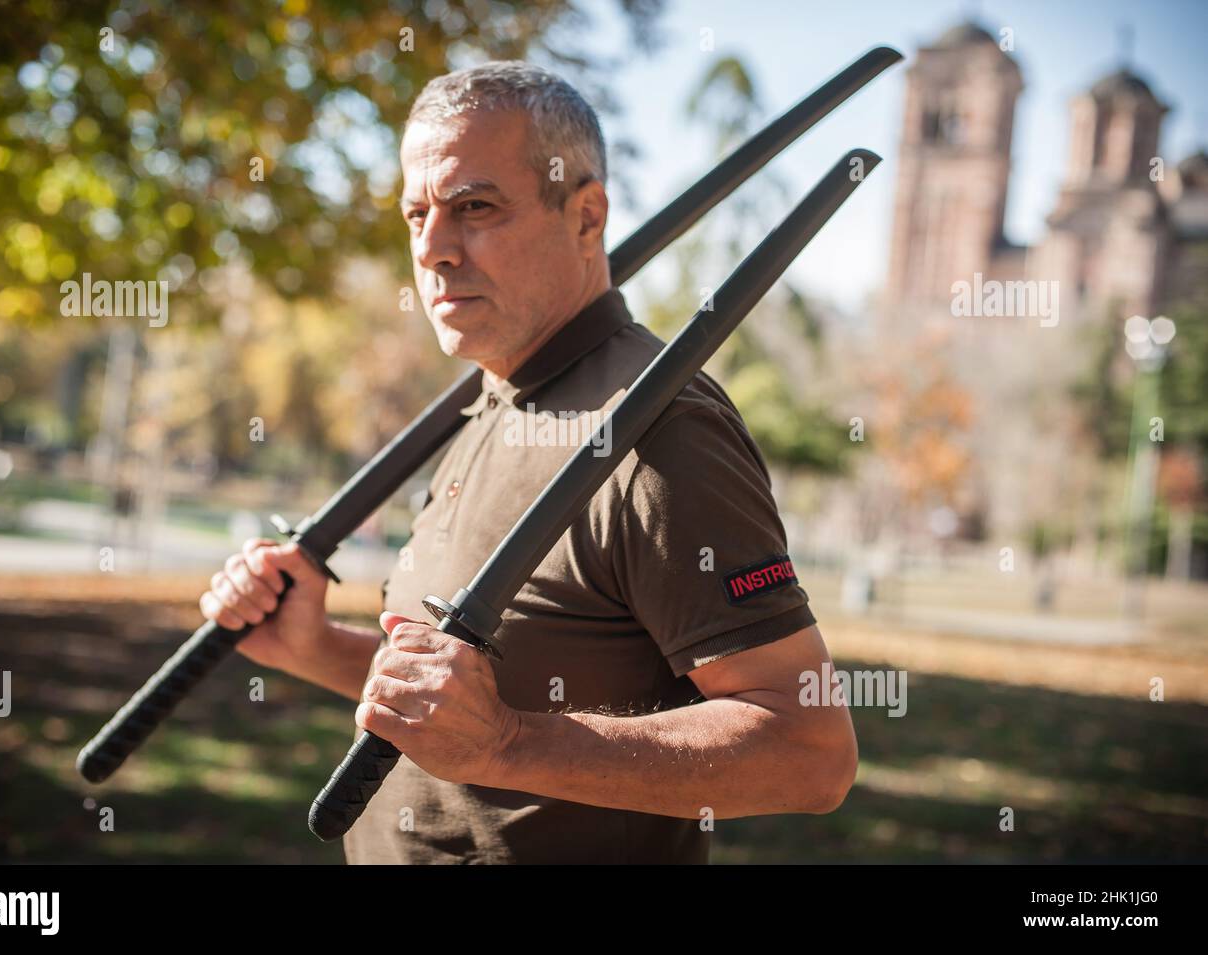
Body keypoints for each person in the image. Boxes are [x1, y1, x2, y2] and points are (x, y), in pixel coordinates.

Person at [200, 60, 857, 864]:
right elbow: (462, 696)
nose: (434, 249)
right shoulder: (490, 401)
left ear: (587, 217)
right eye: (416, 215)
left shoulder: (660, 429)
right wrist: (314, 647)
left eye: (474, 207)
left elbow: (810, 750)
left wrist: (511, 745)